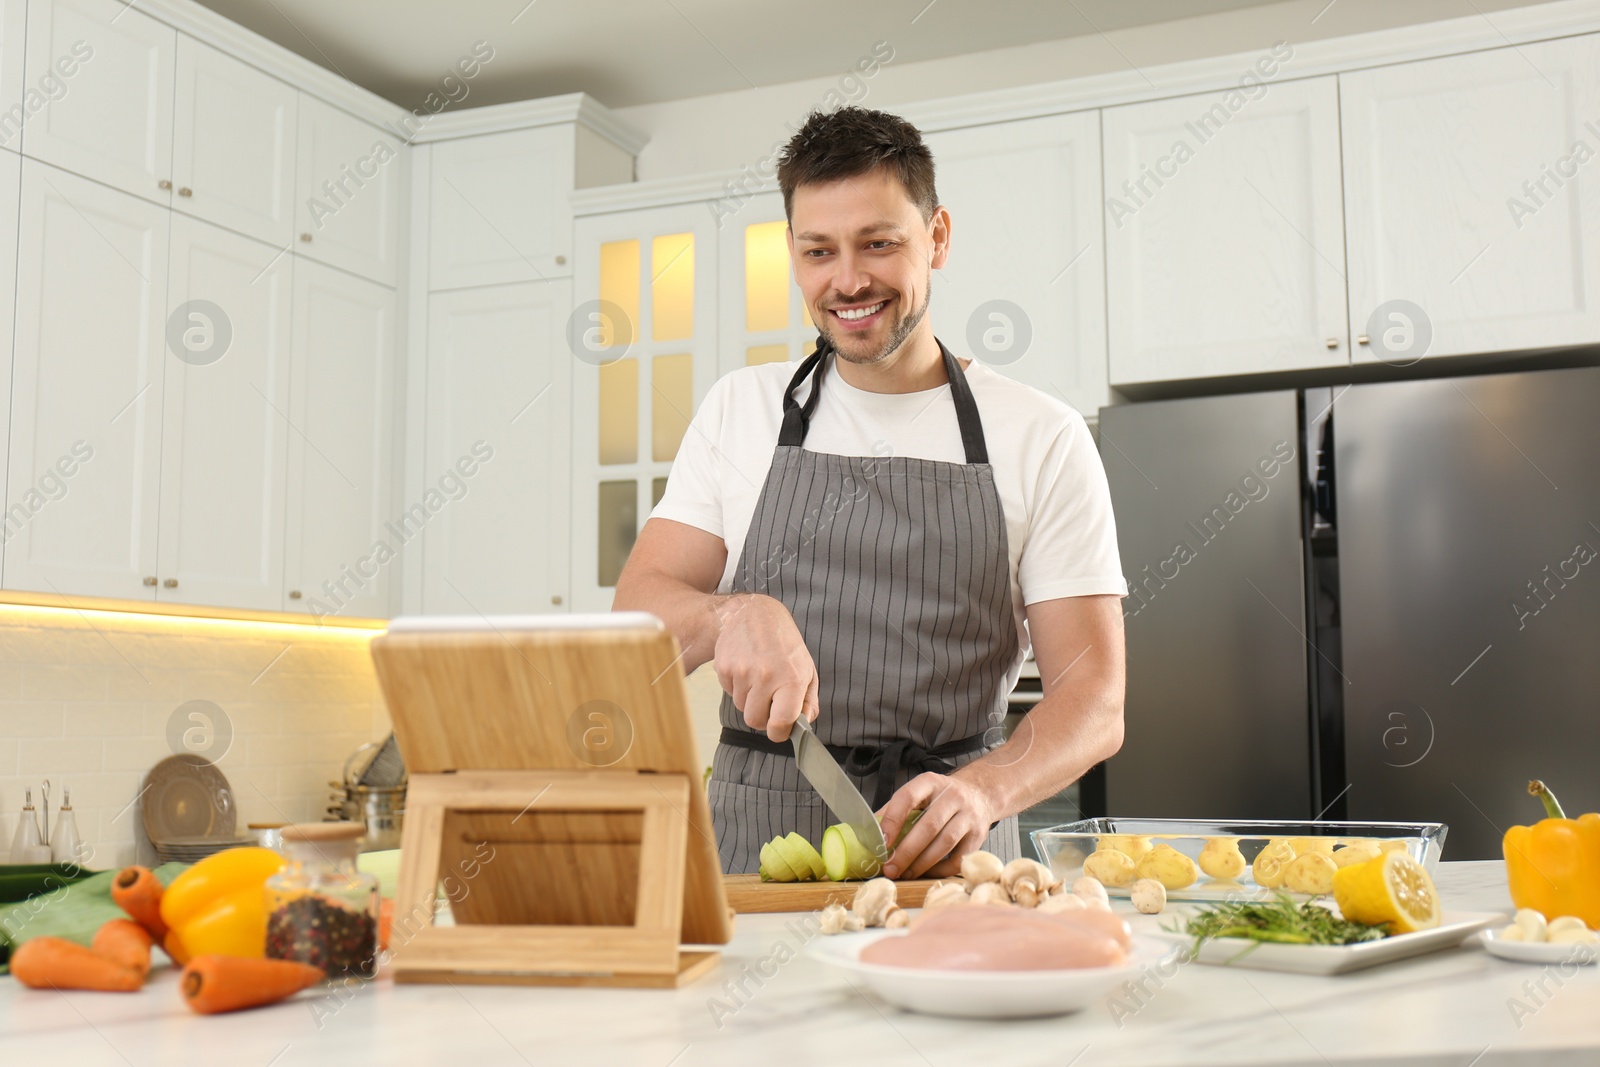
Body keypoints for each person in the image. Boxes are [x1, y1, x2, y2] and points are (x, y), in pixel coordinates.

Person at [614, 106, 1126, 878]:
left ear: (938, 237)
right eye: (819, 251)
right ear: (792, 254)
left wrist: (986, 788)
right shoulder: (738, 409)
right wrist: (732, 615)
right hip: (754, 856)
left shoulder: (1041, 435)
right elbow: (634, 625)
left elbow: (1093, 696)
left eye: (878, 244)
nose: (847, 280)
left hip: (951, 851)